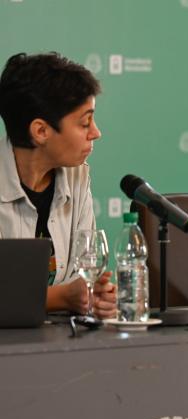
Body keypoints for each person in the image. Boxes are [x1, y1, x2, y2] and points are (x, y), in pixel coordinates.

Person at [0, 52, 115, 317]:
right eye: (85, 122)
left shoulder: (76, 177)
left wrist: (94, 297)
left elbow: (83, 272)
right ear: (40, 131)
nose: (95, 132)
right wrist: (63, 298)